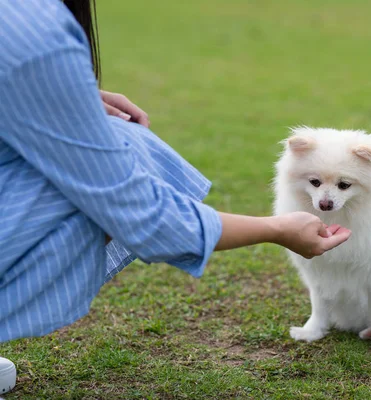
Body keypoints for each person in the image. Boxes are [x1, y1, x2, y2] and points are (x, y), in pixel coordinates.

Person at [0, 0, 351, 390]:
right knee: (126, 151)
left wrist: (65, 96)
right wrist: (277, 228)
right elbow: (142, 211)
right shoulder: (35, 31)